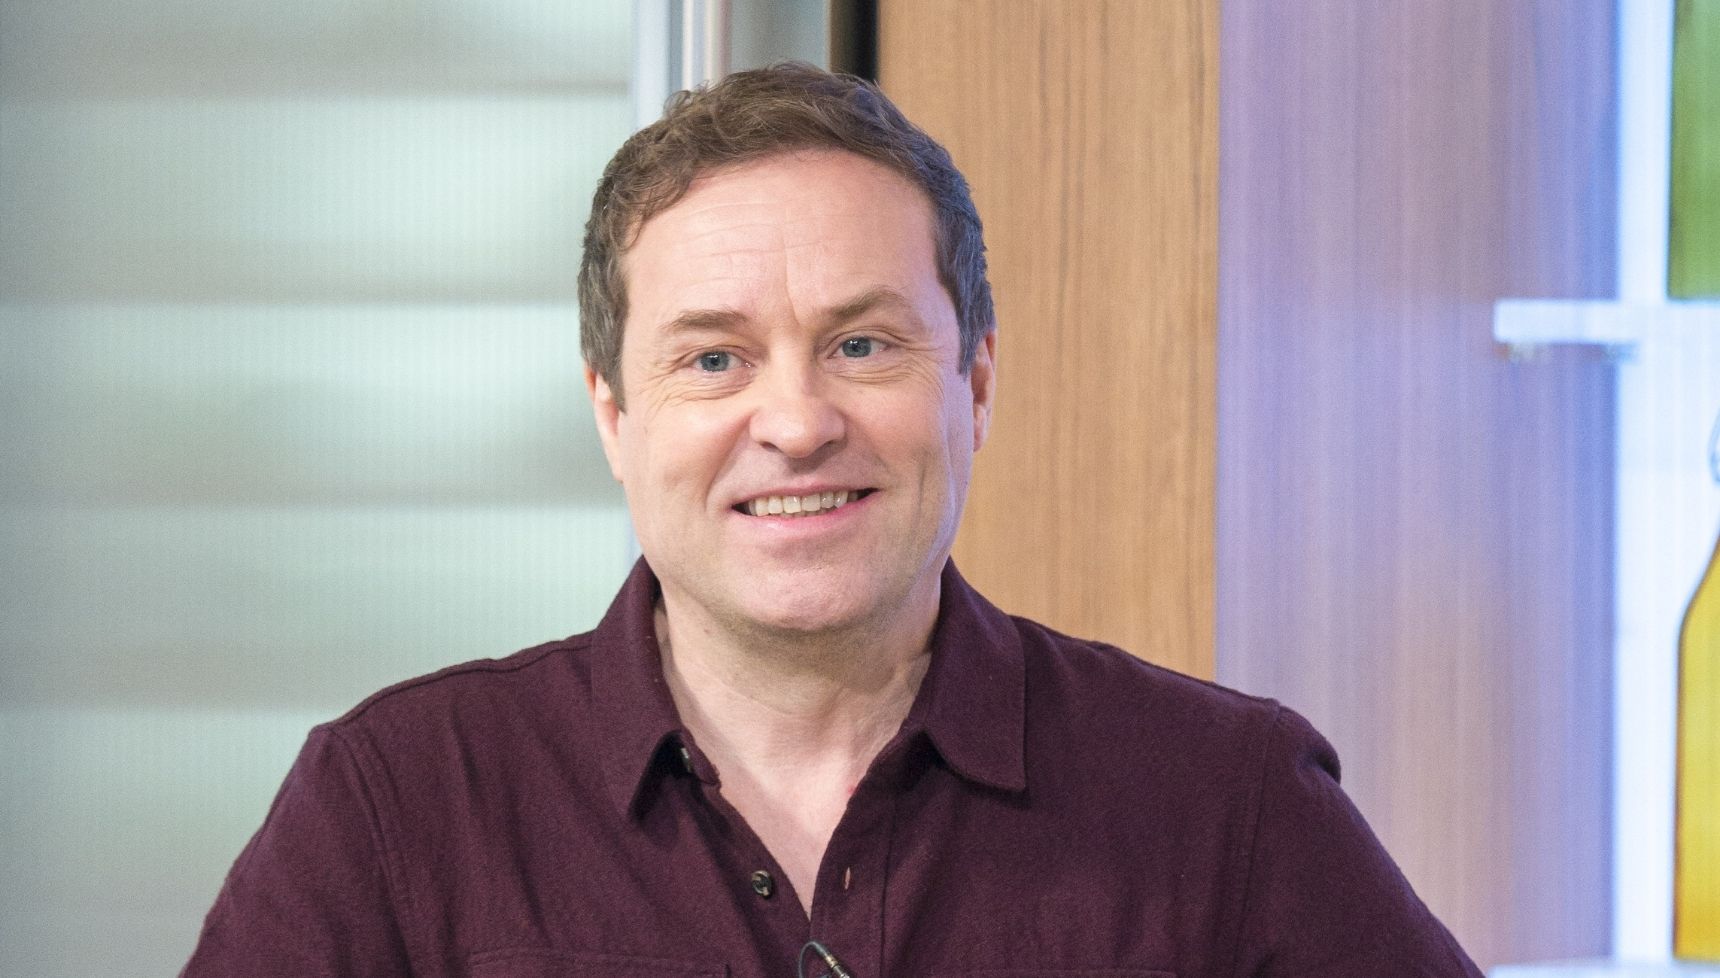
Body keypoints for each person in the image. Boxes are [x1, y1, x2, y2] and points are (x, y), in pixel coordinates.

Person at [183, 63, 1483, 978]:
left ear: (975, 382)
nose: (797, 420)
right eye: (713, 359)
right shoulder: (395, 804)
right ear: (612, 416)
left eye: (860, 343)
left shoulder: (1226, 802)